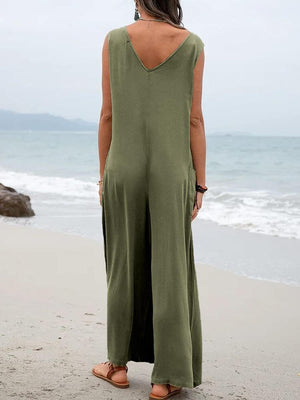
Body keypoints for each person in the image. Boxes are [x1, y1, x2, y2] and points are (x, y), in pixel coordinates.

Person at [92, 0, 207, 398]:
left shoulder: (114, 40)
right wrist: (200, 183)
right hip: (173, 171)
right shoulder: (192, 44)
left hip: (122, 168)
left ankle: (118, 366)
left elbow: (108, 114)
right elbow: (194, 118)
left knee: (122, 265)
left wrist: (104, 173)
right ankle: (166, 378)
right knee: (171, 269)